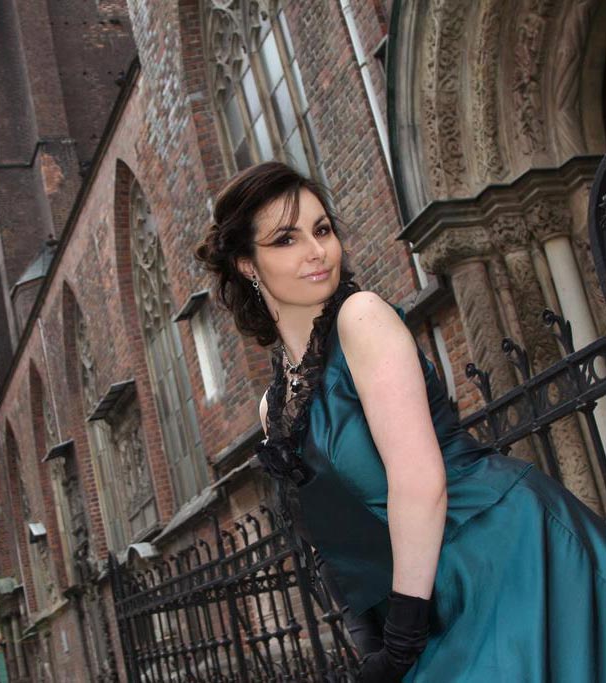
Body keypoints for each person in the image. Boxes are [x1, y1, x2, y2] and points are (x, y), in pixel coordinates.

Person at [195, 161, 606, 682]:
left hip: (503, 555)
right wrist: (369, 634)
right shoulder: (275, 405)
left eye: (322, 230)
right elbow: (330, 536)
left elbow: (418, 480)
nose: (317, 251)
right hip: (422, 596)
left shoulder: (361, 317)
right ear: (247, 265)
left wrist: (402, 637)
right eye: (286, 239)